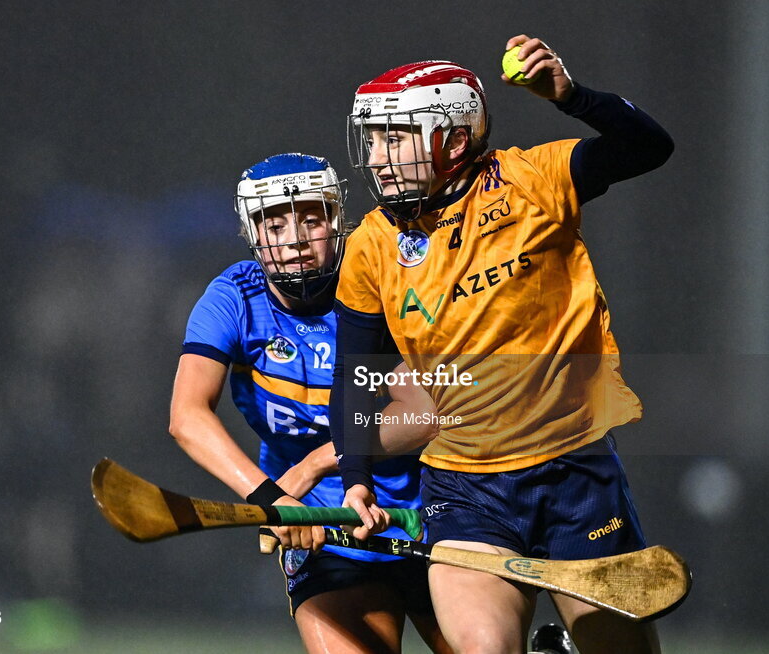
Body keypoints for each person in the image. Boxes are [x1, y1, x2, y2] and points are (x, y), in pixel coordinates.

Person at [331, 35, 674, 654]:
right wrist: (356, 479)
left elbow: (650, 147)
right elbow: (355, 378)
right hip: (465, 492)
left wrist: (571, 96)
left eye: (395, 138)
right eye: (373, 140)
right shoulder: (372, 244)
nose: (378, 159)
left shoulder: (532, 179)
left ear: (454, 141)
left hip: (576, 474)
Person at [170, 153, 449, 653]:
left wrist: (313, 465)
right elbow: (187, 417)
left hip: (430, 511)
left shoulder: (374, 281)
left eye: (311, 219)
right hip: (322, 526)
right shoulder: (235, 297)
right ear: (251, 233)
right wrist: (273, 499)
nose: (295, 239)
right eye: (274, 224)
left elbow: (425, 415)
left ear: (337, 222)